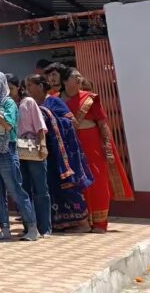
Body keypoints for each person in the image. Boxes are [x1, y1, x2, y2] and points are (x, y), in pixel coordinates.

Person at [63, 69, 133, 233]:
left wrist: (107, 146)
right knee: (77, 183)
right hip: (71, 145)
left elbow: (102, 124)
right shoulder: (56, 99)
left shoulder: (90, 99)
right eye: (75, 77)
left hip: (92, 142)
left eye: (80, 76)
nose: (79, 79)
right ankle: (83, 222)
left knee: (98, 182)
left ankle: (100, 223)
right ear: (66, 81)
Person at [0, 71, 40, 241]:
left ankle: (31, 227)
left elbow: (8, 124)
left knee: (15, 189)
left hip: (6, 150)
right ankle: (4, 228)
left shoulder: (8, 104)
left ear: (0, 84)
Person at [34, 68, 93, 231]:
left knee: (70, 188)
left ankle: (83, 224)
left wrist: (52, 122)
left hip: (64, 152)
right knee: (54, 187)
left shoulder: (54, 102)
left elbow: (72, 122)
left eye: (29, 86)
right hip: (50, 154)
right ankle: (62, 223)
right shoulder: (39, 105)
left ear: (39, 87)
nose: (27, 90)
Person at [18, 75, 52, 236]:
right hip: (16, 147)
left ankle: (45, 227)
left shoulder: (29, 102)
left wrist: (43, 145)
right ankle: (30, 226)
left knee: (40, 188)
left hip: (32, 144)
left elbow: (40, 125)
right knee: (23, 188)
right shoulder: (7, 104)